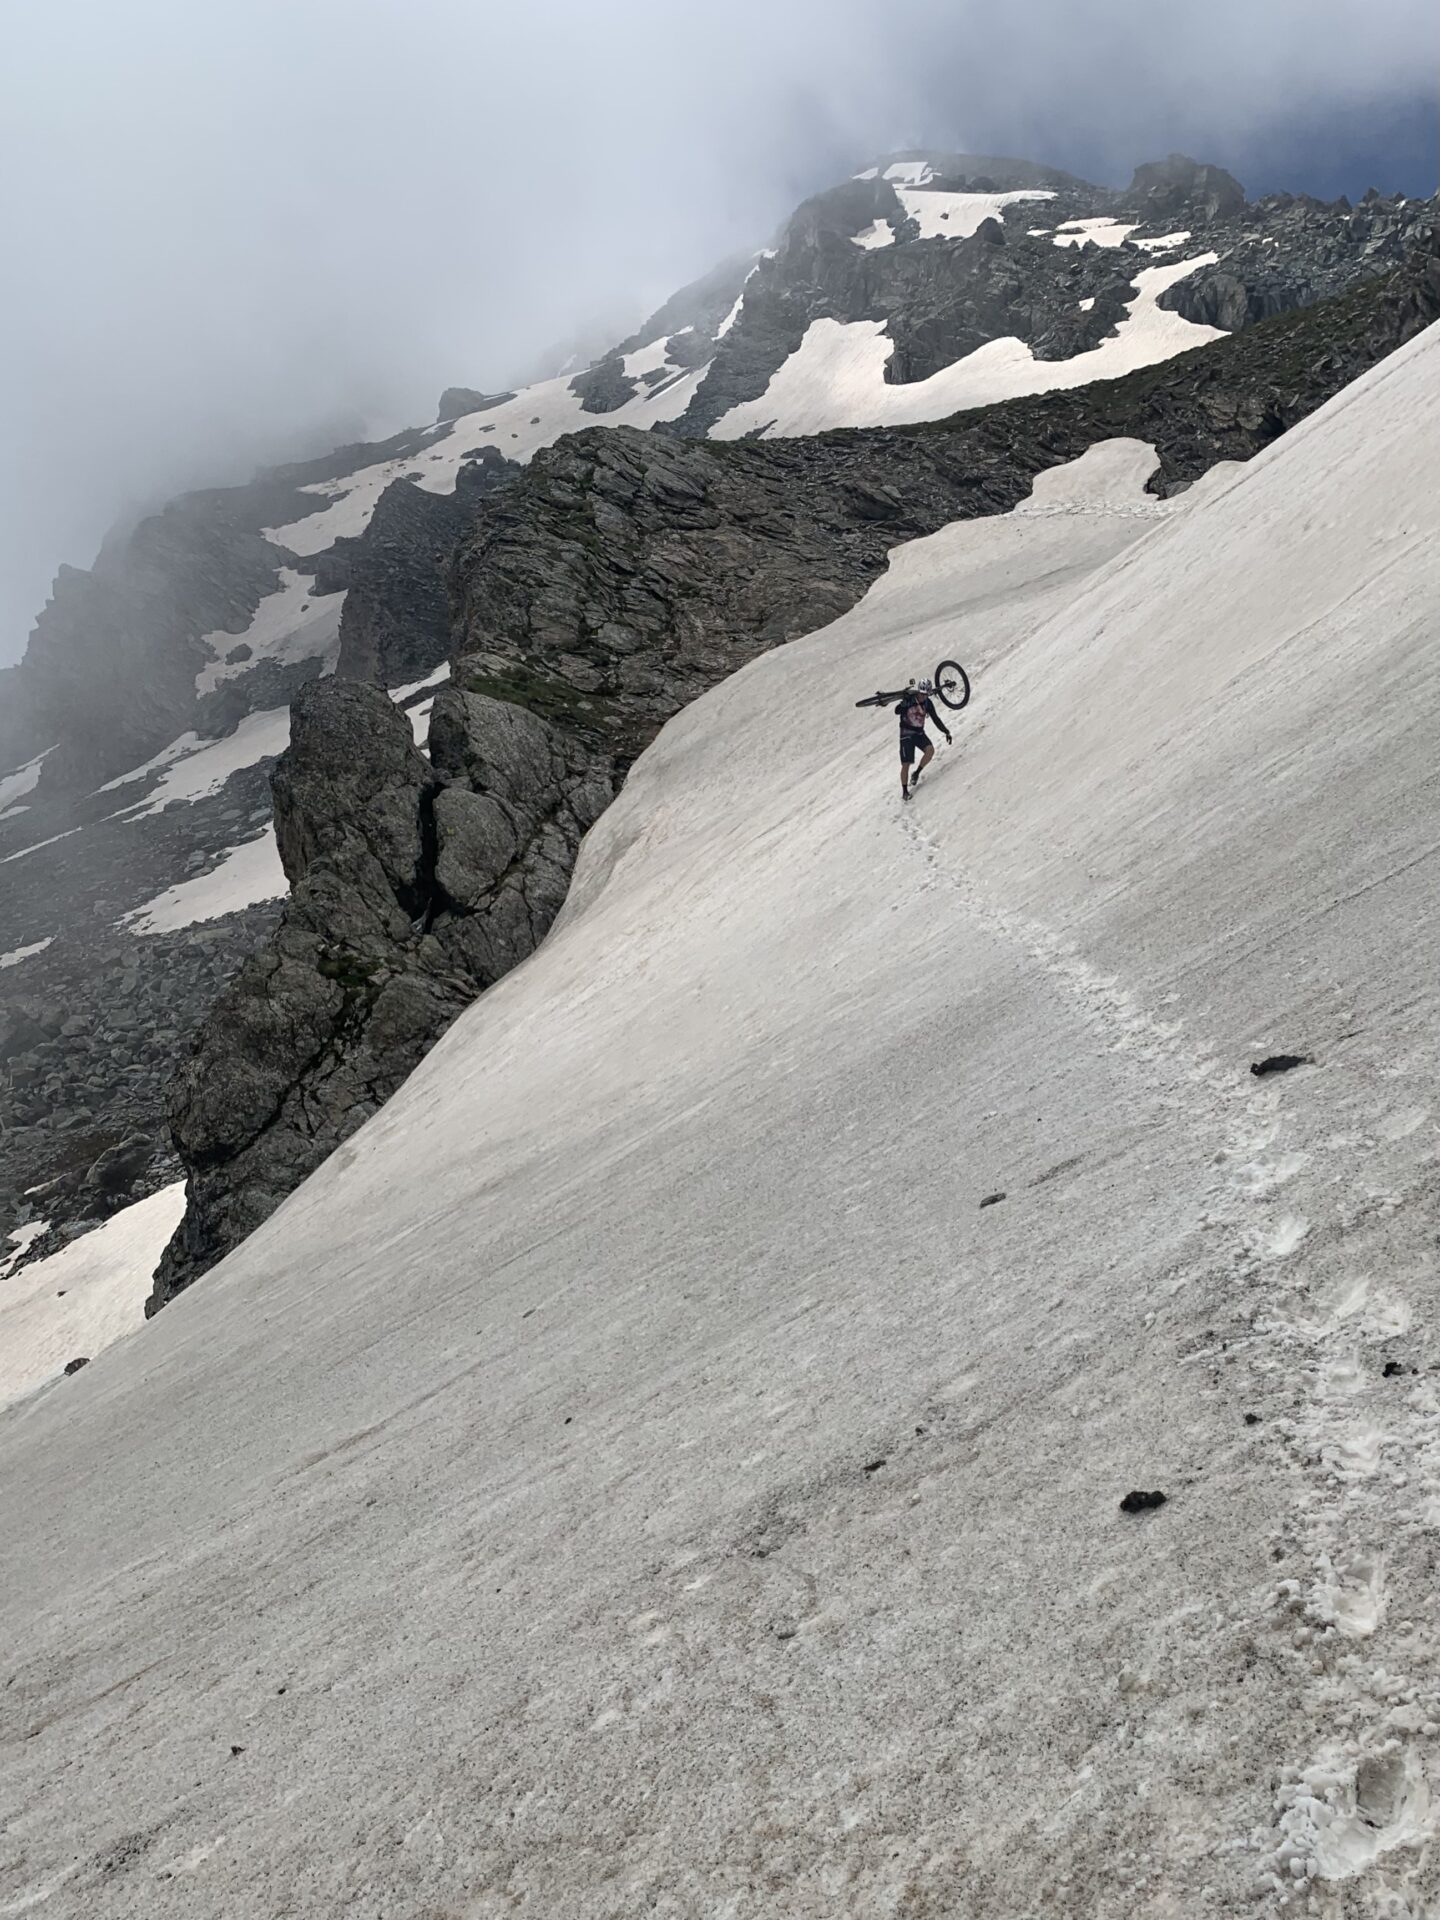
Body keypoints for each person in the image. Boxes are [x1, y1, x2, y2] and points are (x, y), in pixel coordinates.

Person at [895, 682, 950, 799]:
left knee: (930, 751)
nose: (923, 697)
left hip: (919, 733)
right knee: (906, 764)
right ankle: (905, 792)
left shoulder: (927, 703)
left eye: (926, 695)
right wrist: (903, 705)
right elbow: (897, 711)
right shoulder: (909, 699)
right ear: (919, 691)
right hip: (906, 735)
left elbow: (936, 719)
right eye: (922, 694)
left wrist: (946, 731)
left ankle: (917, 773)